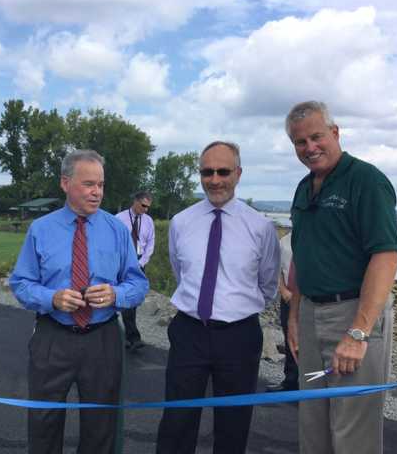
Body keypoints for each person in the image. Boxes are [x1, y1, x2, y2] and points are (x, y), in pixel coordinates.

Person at [10, 149, 148, 454]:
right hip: (52, 336)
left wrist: (116, 295)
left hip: (103, 338)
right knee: (44, 423)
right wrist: (51, 298)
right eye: (88, 184)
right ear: (64, 183)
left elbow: (138, 283)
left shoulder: (117, 230)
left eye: (100, 184)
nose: (96, 192)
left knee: (101, 427)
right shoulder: (41, 230)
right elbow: (20, 283)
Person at [285, 101, 397, 454]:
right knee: (312, 424)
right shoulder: (304, 189)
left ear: (335, 133)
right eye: (300, 142)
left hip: (352, 314)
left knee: (353, 433)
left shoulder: (366, 180)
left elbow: (386, 257)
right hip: (309, 315)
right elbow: (304, 256)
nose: (310, 148)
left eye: (317, 137)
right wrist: (293, 316)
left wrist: (358, 332)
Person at [156, 141, 280, 454]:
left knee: (233, 424)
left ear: (238, 174)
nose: (214, 179)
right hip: (189, 332)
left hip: (239, 335)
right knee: (177, 421)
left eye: (223, 171)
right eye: (206, 172)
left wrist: (235, 308)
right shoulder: (181, 222)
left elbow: (267, 283)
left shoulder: (261, 227)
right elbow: (180, 271)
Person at [115, 190, 155, 350]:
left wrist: (142, 262)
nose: (146, 209)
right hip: (122, 262)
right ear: (136, 201)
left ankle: (127, 337)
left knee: (132, 299)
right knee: (125, 298)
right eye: (144, 205)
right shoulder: (119, 219)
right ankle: (132, 337)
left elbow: (151, 243)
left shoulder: (149, 221)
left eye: (148, 207)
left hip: (139, 263)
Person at [266, 231, 299, 392]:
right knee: (289, 339)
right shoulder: (284, 241)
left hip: (307, 300)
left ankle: (306, 386)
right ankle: (290, 382)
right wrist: (283, 291)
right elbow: (277, 269)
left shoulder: (315, 237)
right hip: (287, 297)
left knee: (308, 344)